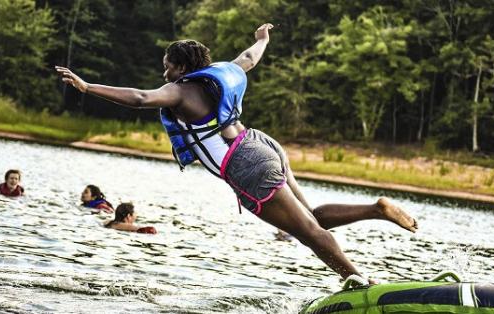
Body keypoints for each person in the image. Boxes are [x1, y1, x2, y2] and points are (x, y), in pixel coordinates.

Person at [56, 23, 417, 283]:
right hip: (261, 144)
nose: (164, 70)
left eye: (168, 64)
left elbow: (140, 98)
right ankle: (376, 209)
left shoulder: (179, 91)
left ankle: (361, 284)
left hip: (246, 166)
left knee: (308, 233)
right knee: (312, 219)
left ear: (181, 67)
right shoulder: (219, 77)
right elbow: (248, 58)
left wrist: (88, 87)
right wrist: (262, 39)